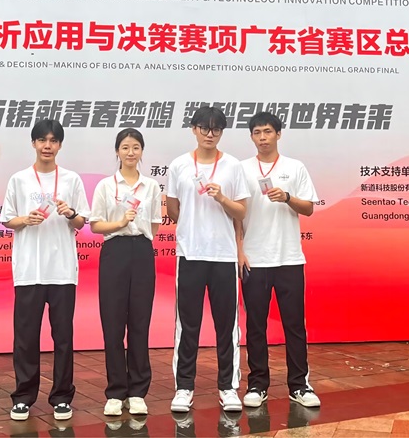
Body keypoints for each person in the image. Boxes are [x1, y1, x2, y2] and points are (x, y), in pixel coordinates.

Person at [1, 119, 89, 422]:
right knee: (26, 337)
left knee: (63, 337)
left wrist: (70, 213)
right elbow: (7, 219)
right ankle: (23, 397)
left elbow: (82, 221)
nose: (47, 146)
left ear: (60, 145)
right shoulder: (19, 179)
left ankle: (62, 397)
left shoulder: (71, 180)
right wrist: (25, 220)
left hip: (62, 270)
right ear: (33, 143)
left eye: (53, 140)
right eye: (42, 140)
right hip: (29, 269)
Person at [166, 106, 250, 413]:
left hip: (223, 255)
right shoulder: (179, 165)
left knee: (226, 325)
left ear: (222, 132)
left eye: (216, 129)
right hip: (190, 253)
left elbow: (241, 211)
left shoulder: (232, 166)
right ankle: (184, 387)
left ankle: (228, 387)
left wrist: (221, 198)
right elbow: (173, 209)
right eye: (204, 128)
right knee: (187, 325)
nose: (210, 134)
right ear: (194, 129)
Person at [237, 111, 320, 409]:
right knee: (255, 326)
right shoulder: (242, 169)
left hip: (289, 259)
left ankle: (299, 385)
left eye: (268, 131)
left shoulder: (295, 167)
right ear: (251, 137)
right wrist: (240, 250)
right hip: (254, 260)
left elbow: (308, 208)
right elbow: (236, 214)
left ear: (278, 134)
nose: (263, 137)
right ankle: (257, 384)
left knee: (294, 325)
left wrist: (286, 197)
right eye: (257, 132)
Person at [90, 129, 163, 418]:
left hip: (142, 252)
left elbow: (154, 224)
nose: (130, 152)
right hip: (115, 252)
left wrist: (137, 233)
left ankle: (137, 392)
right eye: (125, 147)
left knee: (140, 323)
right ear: (117, 151)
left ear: (142, 151)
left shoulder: (151, 186)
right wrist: (120, 224)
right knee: (113, 324)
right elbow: (96, 225)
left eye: (135, 147)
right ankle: (115, 391)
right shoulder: (106, 186)